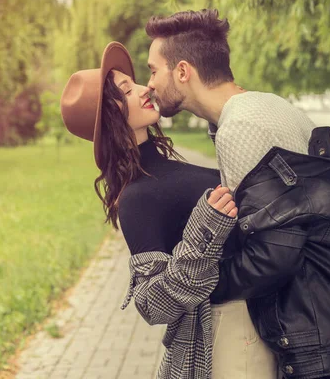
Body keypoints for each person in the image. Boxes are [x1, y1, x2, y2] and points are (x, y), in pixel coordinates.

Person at [145, 9, 330, 379]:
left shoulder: (240, 129)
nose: (148, 84)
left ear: (182, 71)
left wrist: (205, 285)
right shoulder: (266, 105)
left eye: (151, 70)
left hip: (317, 329)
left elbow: (274, 255)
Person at [60, 42, 272, 378]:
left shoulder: (168, 168)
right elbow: (153, 303)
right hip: (227, 332)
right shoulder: (136, 197)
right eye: (127, 89)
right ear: (112, 114)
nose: (146, 88)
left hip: (263, 321)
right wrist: (206, 231)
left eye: (137, 81)